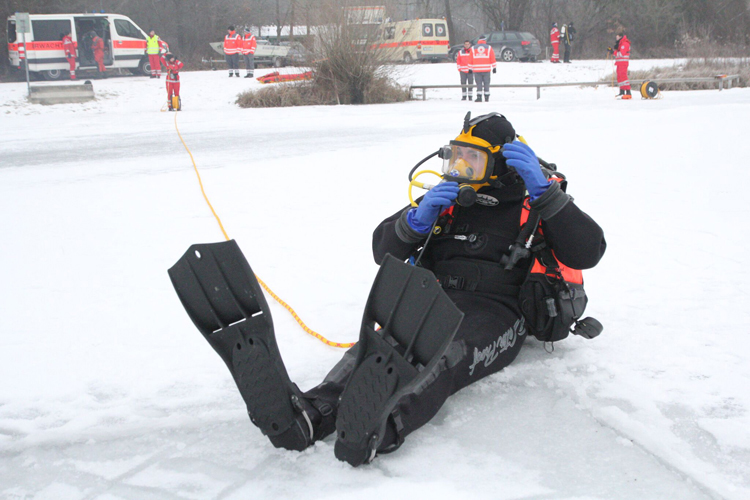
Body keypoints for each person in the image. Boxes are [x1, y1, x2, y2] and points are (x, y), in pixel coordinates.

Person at [193, 112, 606, 467]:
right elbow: (382, 247)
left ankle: (381, 426)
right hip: (433, 295)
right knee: (377, 349)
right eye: (457, 155)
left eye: (474, 159)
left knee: (445, 357)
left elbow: (589, 249)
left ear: (500, 163)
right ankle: (311, 413)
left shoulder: (535, 199)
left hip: (498, 310)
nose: (462, 166)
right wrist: (416, 219)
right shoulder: (450, 196)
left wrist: (547, 193)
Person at [470, 37, 496, 102]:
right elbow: (492, 58)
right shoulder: (489, 48)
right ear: (485, 41)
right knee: (486, 83)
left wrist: (470, 68)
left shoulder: (473, 48)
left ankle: (479, 97)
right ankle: (486, 97)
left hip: (477, 69)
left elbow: (470, 59)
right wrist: (494, 67)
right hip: (486, 69)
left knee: (479, 84)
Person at [610, 31, 631, 99]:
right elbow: (618, 53)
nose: (616, 38)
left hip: (623, 63)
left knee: (624, 77)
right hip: (619, 63)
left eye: (617, 37)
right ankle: (622, 91)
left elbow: (621, 54)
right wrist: (612, 52)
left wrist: (614, 52)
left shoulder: (624, 44)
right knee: (619, 77)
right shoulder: (620, 44)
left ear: (620, 37)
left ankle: (628, 92)